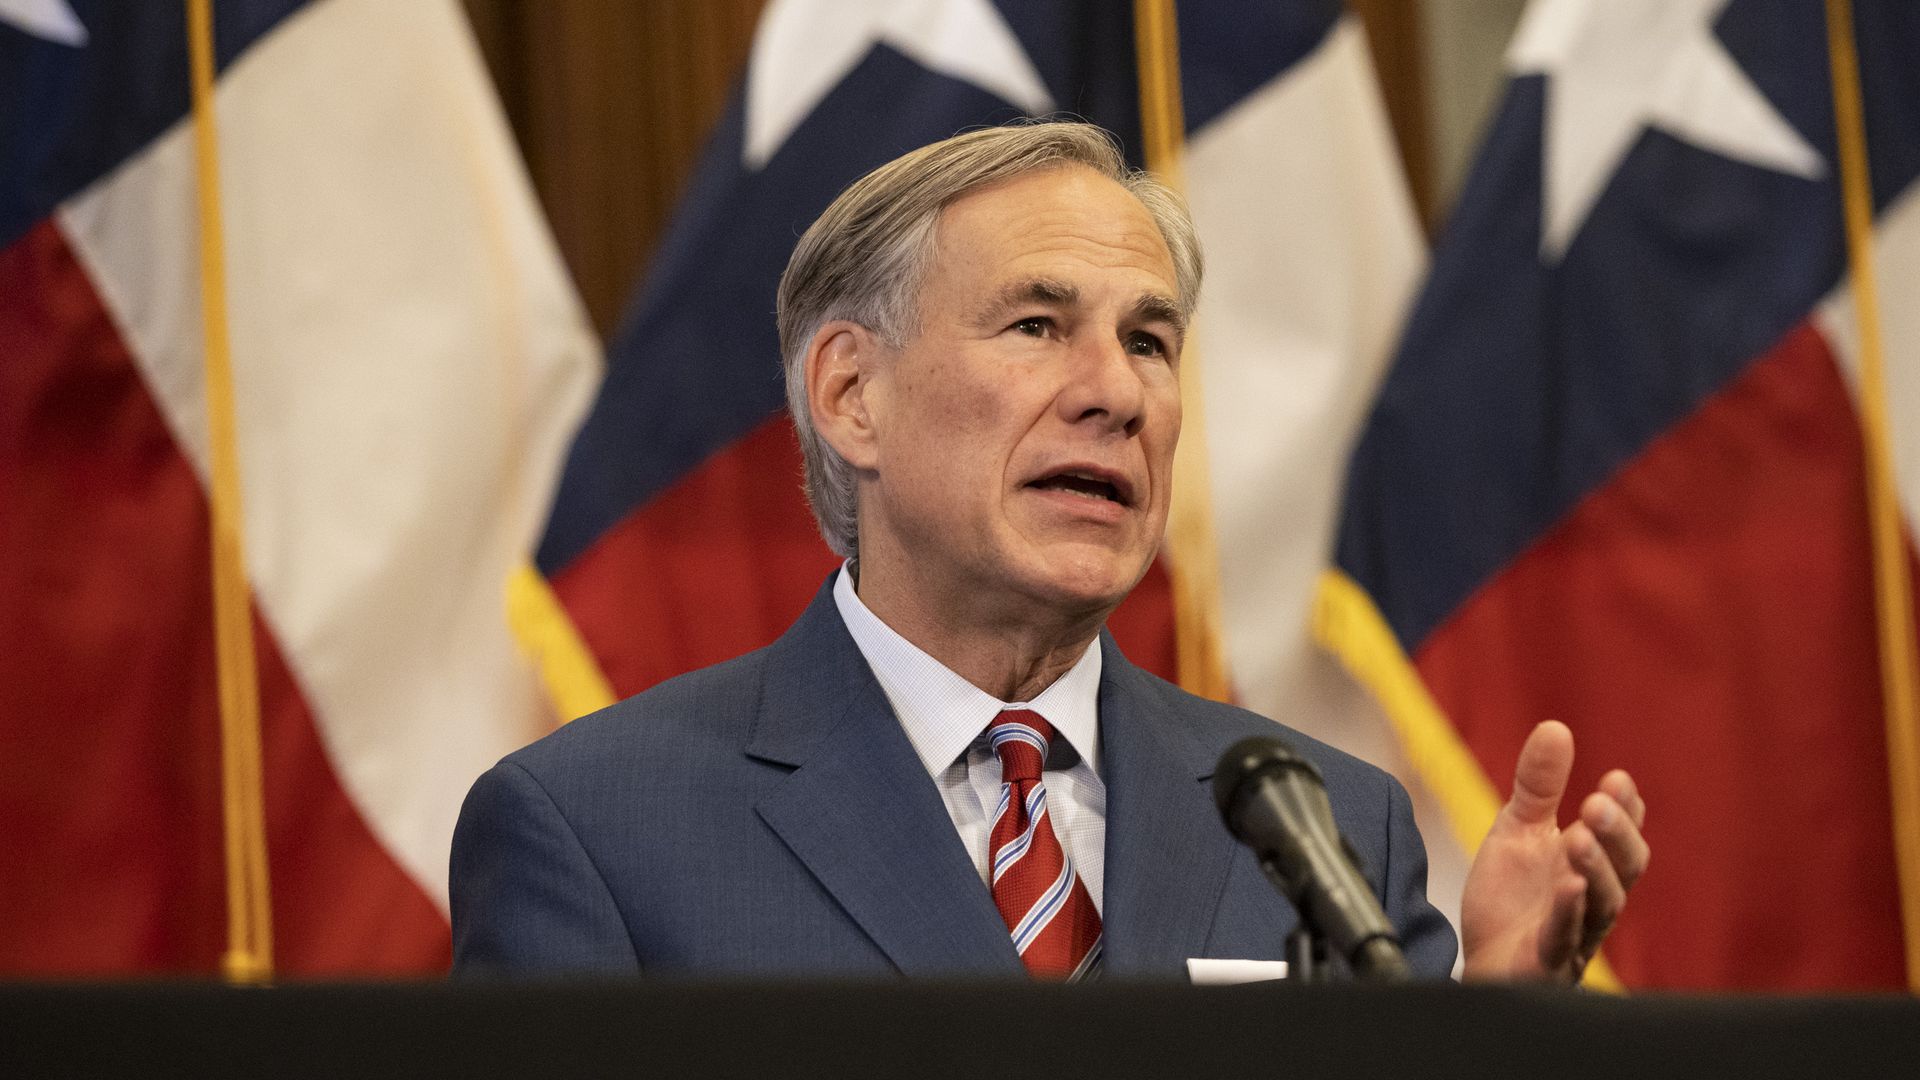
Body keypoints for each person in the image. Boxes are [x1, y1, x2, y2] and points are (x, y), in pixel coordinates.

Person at [450, 122, 1648, 981]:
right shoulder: (598, 829)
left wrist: (1494, 1032)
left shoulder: (1330, 828)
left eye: (1150, 342)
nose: (1116, 393)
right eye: (1037, 325)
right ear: (853, 396)